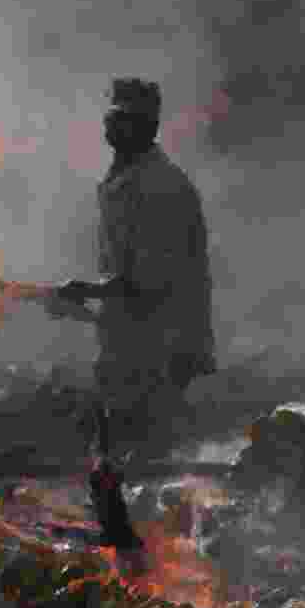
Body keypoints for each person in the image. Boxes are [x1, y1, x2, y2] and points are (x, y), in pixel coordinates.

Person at [48, 78, 217, 451]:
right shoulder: (121, 179)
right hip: (131, 340)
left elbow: (150, 282)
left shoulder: (160, 187)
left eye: (124, 119)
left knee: (143, 454)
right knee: (120, 453)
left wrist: (85, 291)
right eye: (111, 117)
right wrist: (85, 303)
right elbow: (125, 279)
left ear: (149, 126)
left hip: (160, 348)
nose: (112, 127)